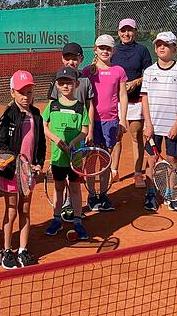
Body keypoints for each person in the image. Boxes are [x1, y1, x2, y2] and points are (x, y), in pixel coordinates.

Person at [0, 70, 46, 269]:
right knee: (11, 211)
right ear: (12, 93)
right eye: (22, 92)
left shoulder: (36, 115)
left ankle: (23, 249)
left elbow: (40, 144)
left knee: (25, 210)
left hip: (28, 173)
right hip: (10, 172)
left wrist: (38, 163)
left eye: (29, 92)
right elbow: (0, 144)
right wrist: (15, 162)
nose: (26, 96)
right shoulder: (7, 116)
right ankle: (6, 250)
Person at [141, 31, 177, 212]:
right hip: (153, 126)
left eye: (166, 44)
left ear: (174, 48)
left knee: (172, 160)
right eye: (158, 44)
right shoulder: (149, 72)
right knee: (151, 160)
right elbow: (145, 99)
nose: (161, 47)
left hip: (173, 126)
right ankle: (150, 195)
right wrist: (148, 124)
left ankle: (171, 194)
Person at [46, 42, 95, 222]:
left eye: (74, 58)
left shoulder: (85, 81)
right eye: (67, 58)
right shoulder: (57, 80)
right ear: (62, 59)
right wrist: (55, 137)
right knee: (61, 177)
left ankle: (73, 207)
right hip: (60, 139)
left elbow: (90, 107)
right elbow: (51, 110)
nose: (71, 61)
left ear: (81, 59)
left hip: (79, 134)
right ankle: (63, 207)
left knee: (75, 174)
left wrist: (88, 131)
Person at [43, 66, 90, 240]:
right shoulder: (53, 105)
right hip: (57, 157)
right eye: (61, 83)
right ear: (56, 85)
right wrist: (57, 140)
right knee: (58, 188)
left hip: (74, 157)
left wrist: (73, 142)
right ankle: (56, 219)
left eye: (68, 83)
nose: (65, 86)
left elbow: (84, 130)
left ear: (76, 84)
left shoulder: (80, 107)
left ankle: (78, 221)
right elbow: (44, 126)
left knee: (75, 189)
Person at [82, 34, 128, 211]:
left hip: (111, 121)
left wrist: (122, 120)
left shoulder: (119, 71)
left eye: (108, 48)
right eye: (101, 48)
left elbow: (123, 96)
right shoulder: (88, 71)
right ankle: (92, 195)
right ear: (95, 50)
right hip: (92, 122)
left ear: (113, 51)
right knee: (92, 160)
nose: (105, 51)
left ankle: (103, 194)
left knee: (106, 160)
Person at [111, 18, 154, 188]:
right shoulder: (113, 50)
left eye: (130, 30)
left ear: (135, 31)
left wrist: (135, 82)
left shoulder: (142, 50)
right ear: (119, 32)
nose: (126, 33)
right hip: (116, 101)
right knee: (116, 137)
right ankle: (114, 171)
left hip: (136, 100)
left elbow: (148, 74)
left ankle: (137, 173)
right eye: (123, 30)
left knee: (136, 136)